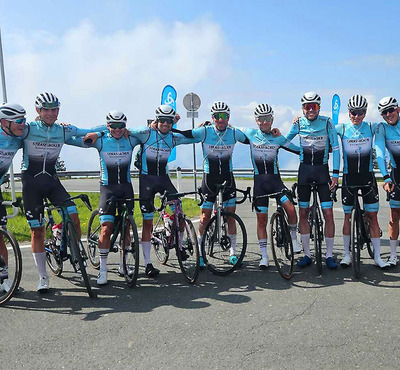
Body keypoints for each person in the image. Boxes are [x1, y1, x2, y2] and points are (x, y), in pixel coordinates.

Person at [21, 92, 101, 291]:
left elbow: (88, 131)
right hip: (31, 182)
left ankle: (71, 247)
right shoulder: (28, 130)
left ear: (58, 110)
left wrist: (100, 134)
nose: (50, 113)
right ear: (38, 111)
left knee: (73, 215)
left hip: (52, 180)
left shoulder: (63, 130)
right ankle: (42, 277)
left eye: (54, 109)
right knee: (37, 231)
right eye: (46, 109)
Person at [174, 102, 249, 266]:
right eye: (216, 116)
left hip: (228, 178)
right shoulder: (205, 131)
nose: (220, 119)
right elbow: (185, 135)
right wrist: (170, 126)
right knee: (205, 217)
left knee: (231, 216)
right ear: (211, 118)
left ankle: (233, 254)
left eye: (223, 116)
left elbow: (254, 139)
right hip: (209, 179)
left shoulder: (234, 133)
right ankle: (200, 254)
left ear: (228, 117)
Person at [69, 111, 139, 285]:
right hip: (108, 188)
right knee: (106, 228)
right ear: (107, 125)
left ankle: (124, 263)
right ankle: (103, 269)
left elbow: (149, 132)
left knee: (126, 227)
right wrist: (100, 131)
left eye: (120, 126)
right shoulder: (100, 140)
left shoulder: (131, 139)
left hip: (126, 187)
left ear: (125, 126)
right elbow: (72, 139)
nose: (117, 129)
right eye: (113, 126)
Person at [129, 105, 198, 277]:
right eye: (162, 120)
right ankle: (147, 263)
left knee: (179, 212)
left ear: (172, 121)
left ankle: (179, 245)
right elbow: (126, 130)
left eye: (169, 121)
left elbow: (192, 136)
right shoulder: (146, 134)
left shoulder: (173, 137)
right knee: (147, 222)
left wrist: (205, 127)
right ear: (156, 120)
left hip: (163, 179)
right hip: (146, 181)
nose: (165, 124)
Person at [239, 103, 300, 268]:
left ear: (272, 119)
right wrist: (209, 125)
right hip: (260, 184)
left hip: (276, 182)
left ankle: (294, 240)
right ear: (256, 120)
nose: (264, 122)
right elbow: (228, 129)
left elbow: (297, 149)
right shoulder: (250, 134)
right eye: (261, 119)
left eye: (267, 119)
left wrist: (324, 150)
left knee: (292, 210)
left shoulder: (278, 137)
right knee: (261, 220)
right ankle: (264, 257)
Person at [286, 92, 340, 269]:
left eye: (314, 106)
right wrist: (299, 151)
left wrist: (336, 174)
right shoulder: (298, 123)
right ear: (302, 108)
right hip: (305, 172)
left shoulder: (327, 122)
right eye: (307, 107)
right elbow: (285, 142)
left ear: (319, 107)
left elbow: (337, 149)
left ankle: (330, 256)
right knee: (303, 213)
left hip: (323, 172)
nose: (310, 110)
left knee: (328, 214)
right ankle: (307, 255)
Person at [336, 95, 389, 268]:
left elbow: (389, 122)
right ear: (348, 112)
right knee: (347, 216)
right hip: (349, 178)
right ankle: (346, 255)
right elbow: (320, 129)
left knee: (373, 217)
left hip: (367, 178)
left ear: (365, 113)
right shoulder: (341, 128)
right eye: (353, 112)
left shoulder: (372, 127)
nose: (356, 116)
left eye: (360, 113)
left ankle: (377, 258)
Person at [0, 103, 26, 292]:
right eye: (18, 121)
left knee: (1, 233)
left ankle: (3, 279)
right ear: (4, 122)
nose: (22, 124)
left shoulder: (19, 137)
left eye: (24, 120)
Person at [375, 96, 400, 266]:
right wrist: (385, 177)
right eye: (384, 112)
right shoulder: (382, 128)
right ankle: (393, 255)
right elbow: (378, 151)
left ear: (397, 109)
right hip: (397, 173)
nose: (388, 114)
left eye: (391, 110)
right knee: (394, 215)